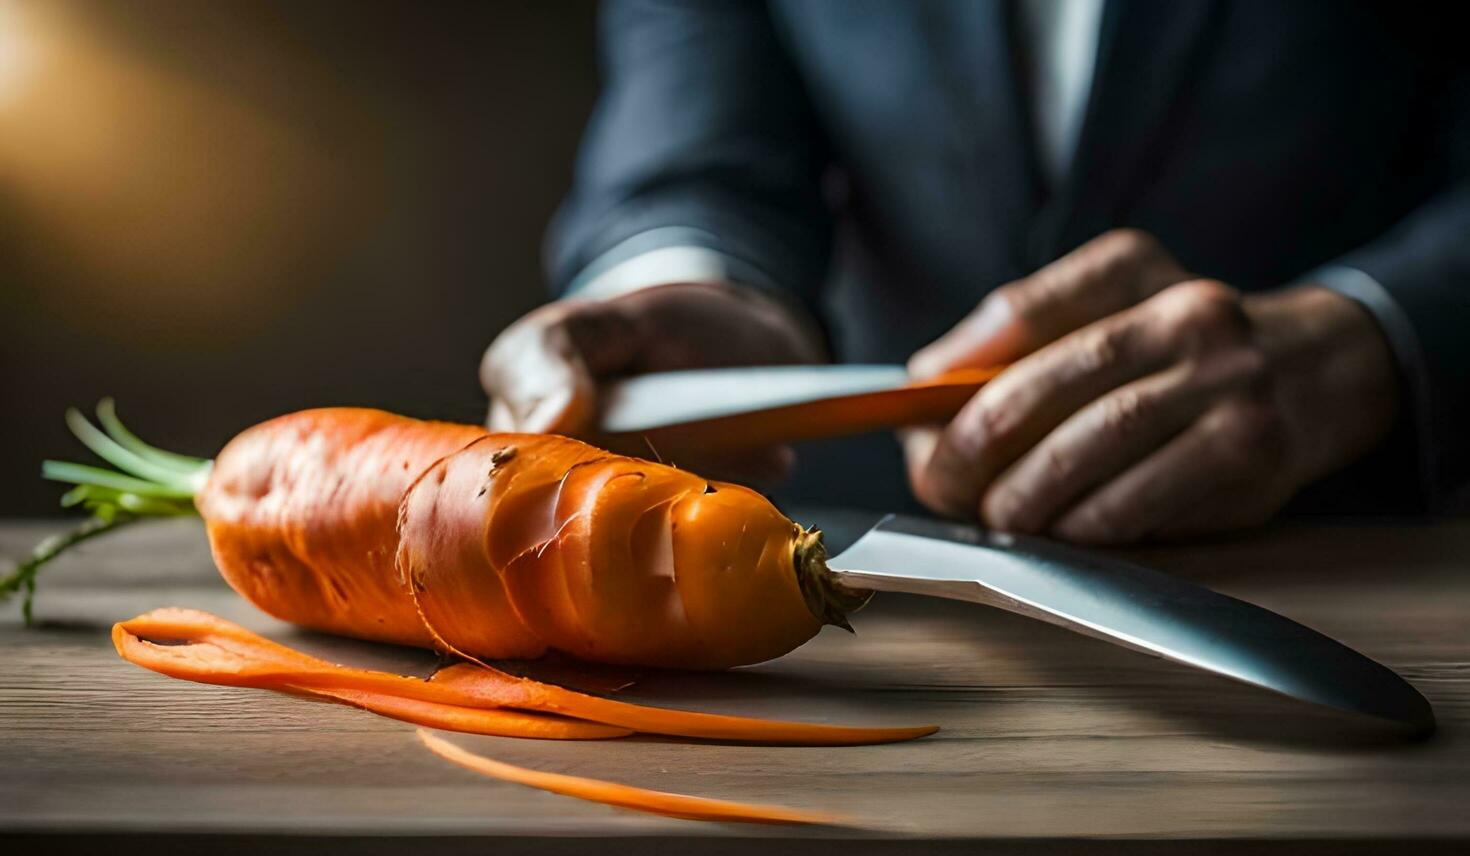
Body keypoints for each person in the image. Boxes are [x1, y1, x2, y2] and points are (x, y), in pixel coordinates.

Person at [481, 0, 1468, 544]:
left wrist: (1369, 338)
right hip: (864, 567)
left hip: (1366, 549)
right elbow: (697, 127)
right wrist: (685, 285)